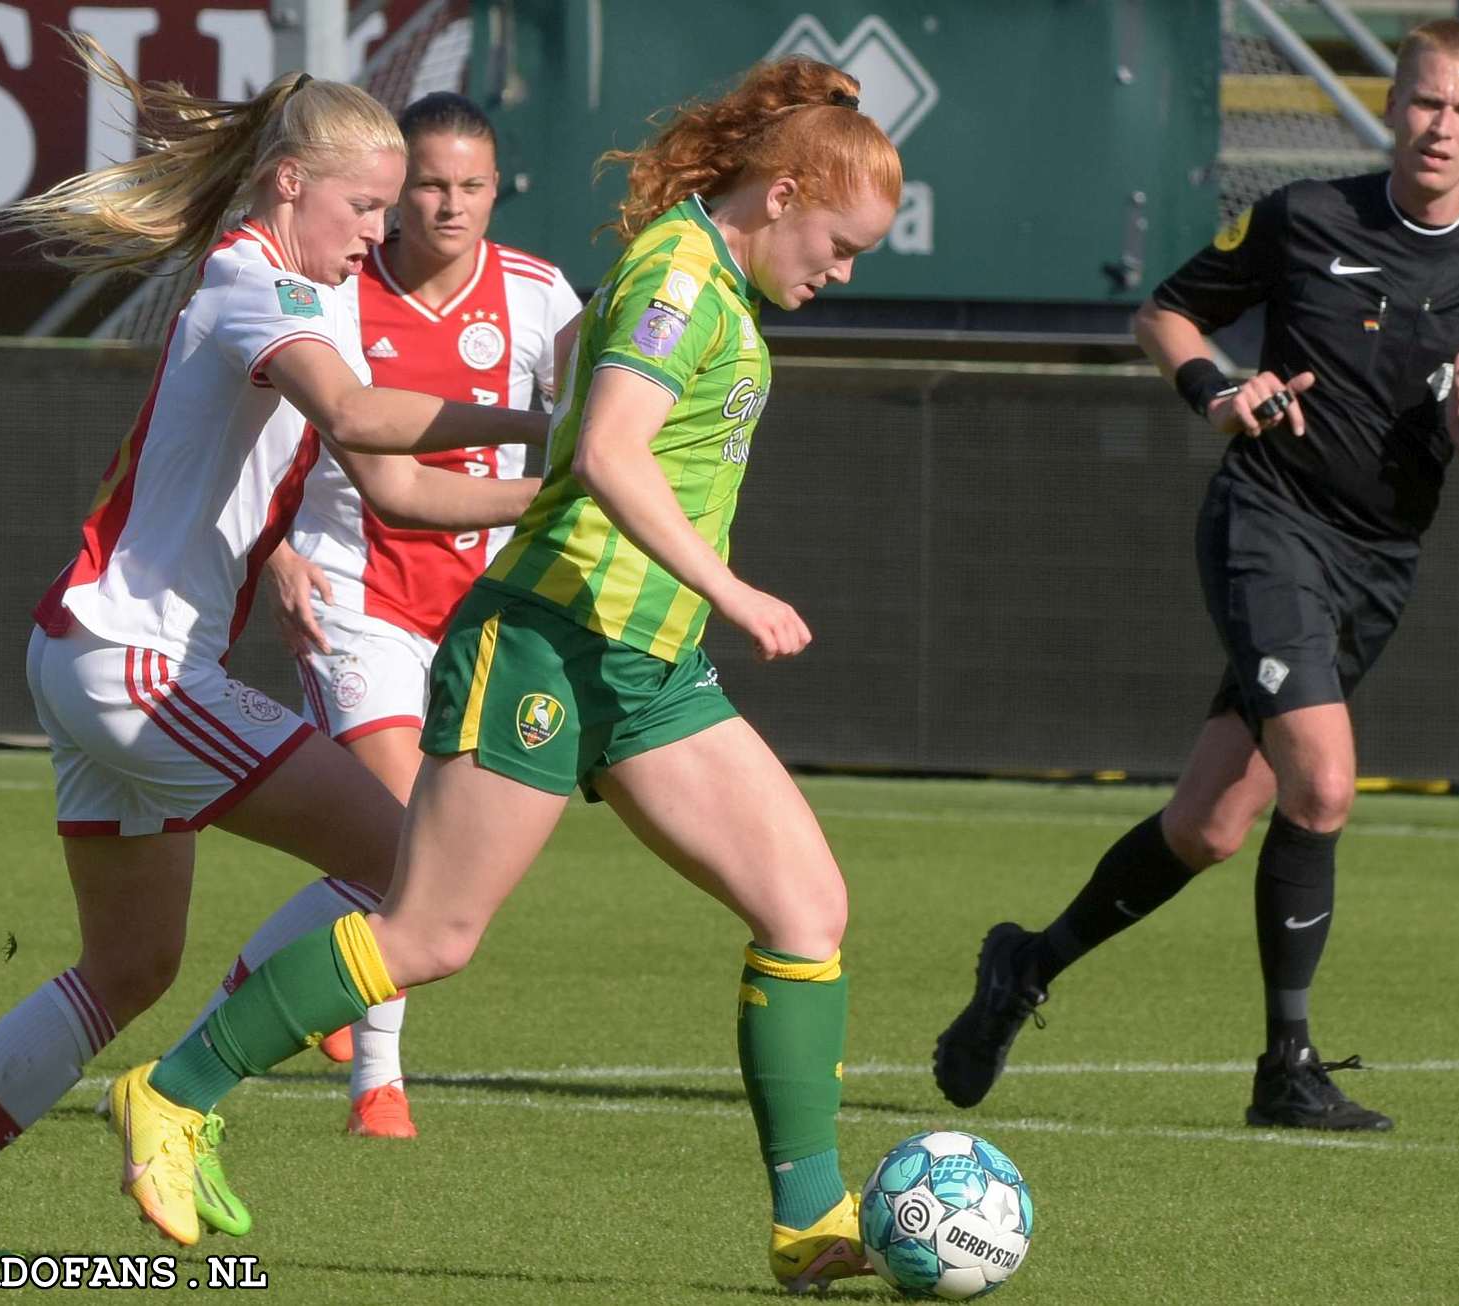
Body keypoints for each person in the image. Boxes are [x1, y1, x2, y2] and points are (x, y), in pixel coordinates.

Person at [100, 57, 902, 1289]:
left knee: (808, 911)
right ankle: (174, 1088)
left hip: (650, 661)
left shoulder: (716, 277)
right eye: (840, 242)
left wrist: (698, 608)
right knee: (428, 932)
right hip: (548, 639)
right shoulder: (680, 280)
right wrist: (736, 589)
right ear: (785, 193)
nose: (843, 271)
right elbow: (616, 453)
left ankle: (812, 1221)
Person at [0, 37, 547, 1257]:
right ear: (288, 183)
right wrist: (549, 421)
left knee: (127, 961)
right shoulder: (250, 278)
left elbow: (395, 484)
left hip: (87, 654)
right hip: (140, 666)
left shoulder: (311, 290)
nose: (379, 234)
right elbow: (359, 416)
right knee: (415, 876)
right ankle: (178, 1101)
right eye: (365, 206)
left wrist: (554, 491)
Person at [934, 19, 1459, 1131]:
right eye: (1424, 101)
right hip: (1268, 519)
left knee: (1210, 826)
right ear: (1393, 105)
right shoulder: (1304, 216)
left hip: (1376, 564)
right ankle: (1287, 1066)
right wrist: (1216, 394)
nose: (1439, 126)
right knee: (1322, 785)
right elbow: (1167, 313)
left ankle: (1024, 967)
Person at [171, 90, 582, 1142]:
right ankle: (377, 1090)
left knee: (431, 864)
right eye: (429, 186)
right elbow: (303, 435)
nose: (449, 206)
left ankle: (259, 981)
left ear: (500, 191)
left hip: (486, 601)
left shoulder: (539, 296)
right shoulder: (331, 288)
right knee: (406, 847)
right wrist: (288, 556)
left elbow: (599, 427)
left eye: (472, 185)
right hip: (359, 593)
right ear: (389, 198)